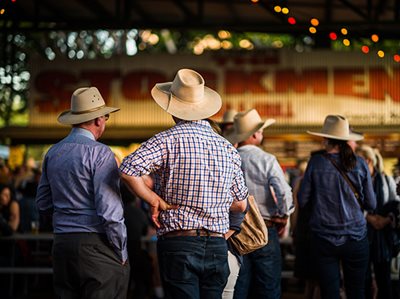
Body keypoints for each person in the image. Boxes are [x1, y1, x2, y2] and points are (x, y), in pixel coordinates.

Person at [119, 68, 249, 299]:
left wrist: (154, 200)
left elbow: (128, 170)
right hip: (217, 245)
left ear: (173, 109)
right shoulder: (228, 148)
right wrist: (212, 200)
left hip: (179, 243)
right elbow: (240, 204)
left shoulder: (167, 139)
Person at [36, 87, 129, 299]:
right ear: (98, 120)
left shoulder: (53, 152)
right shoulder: (101, 153)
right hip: (97, 245)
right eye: (105, 117)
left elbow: (42, 203)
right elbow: (109, 212)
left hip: (62, 244)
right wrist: (121, 250)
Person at [298, 114, 376, 299]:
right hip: (356, 237)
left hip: (323, 238)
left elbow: (302, 200)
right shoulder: (360, 163)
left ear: (325, 139)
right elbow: (371, 204)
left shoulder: (316, 163)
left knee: (330, 292)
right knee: (357, 291)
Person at [229, 108, 294, 299]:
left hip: (234, 231)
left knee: (239, 287)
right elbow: (283, 191)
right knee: (268, 287)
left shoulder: (227, 157)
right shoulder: (266, 159)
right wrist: (284, 214)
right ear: (255, 134)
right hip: (264, 228)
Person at [356, 145, 398, 299]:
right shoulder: (356, 182)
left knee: (384, 280)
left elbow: (396, 204)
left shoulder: (386, 180)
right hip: (362, 236)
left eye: (358, 160)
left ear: (368, 161)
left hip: (383, 238)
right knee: (364, 281)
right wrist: (369, 217)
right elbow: (352, 206)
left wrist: (386, 220)